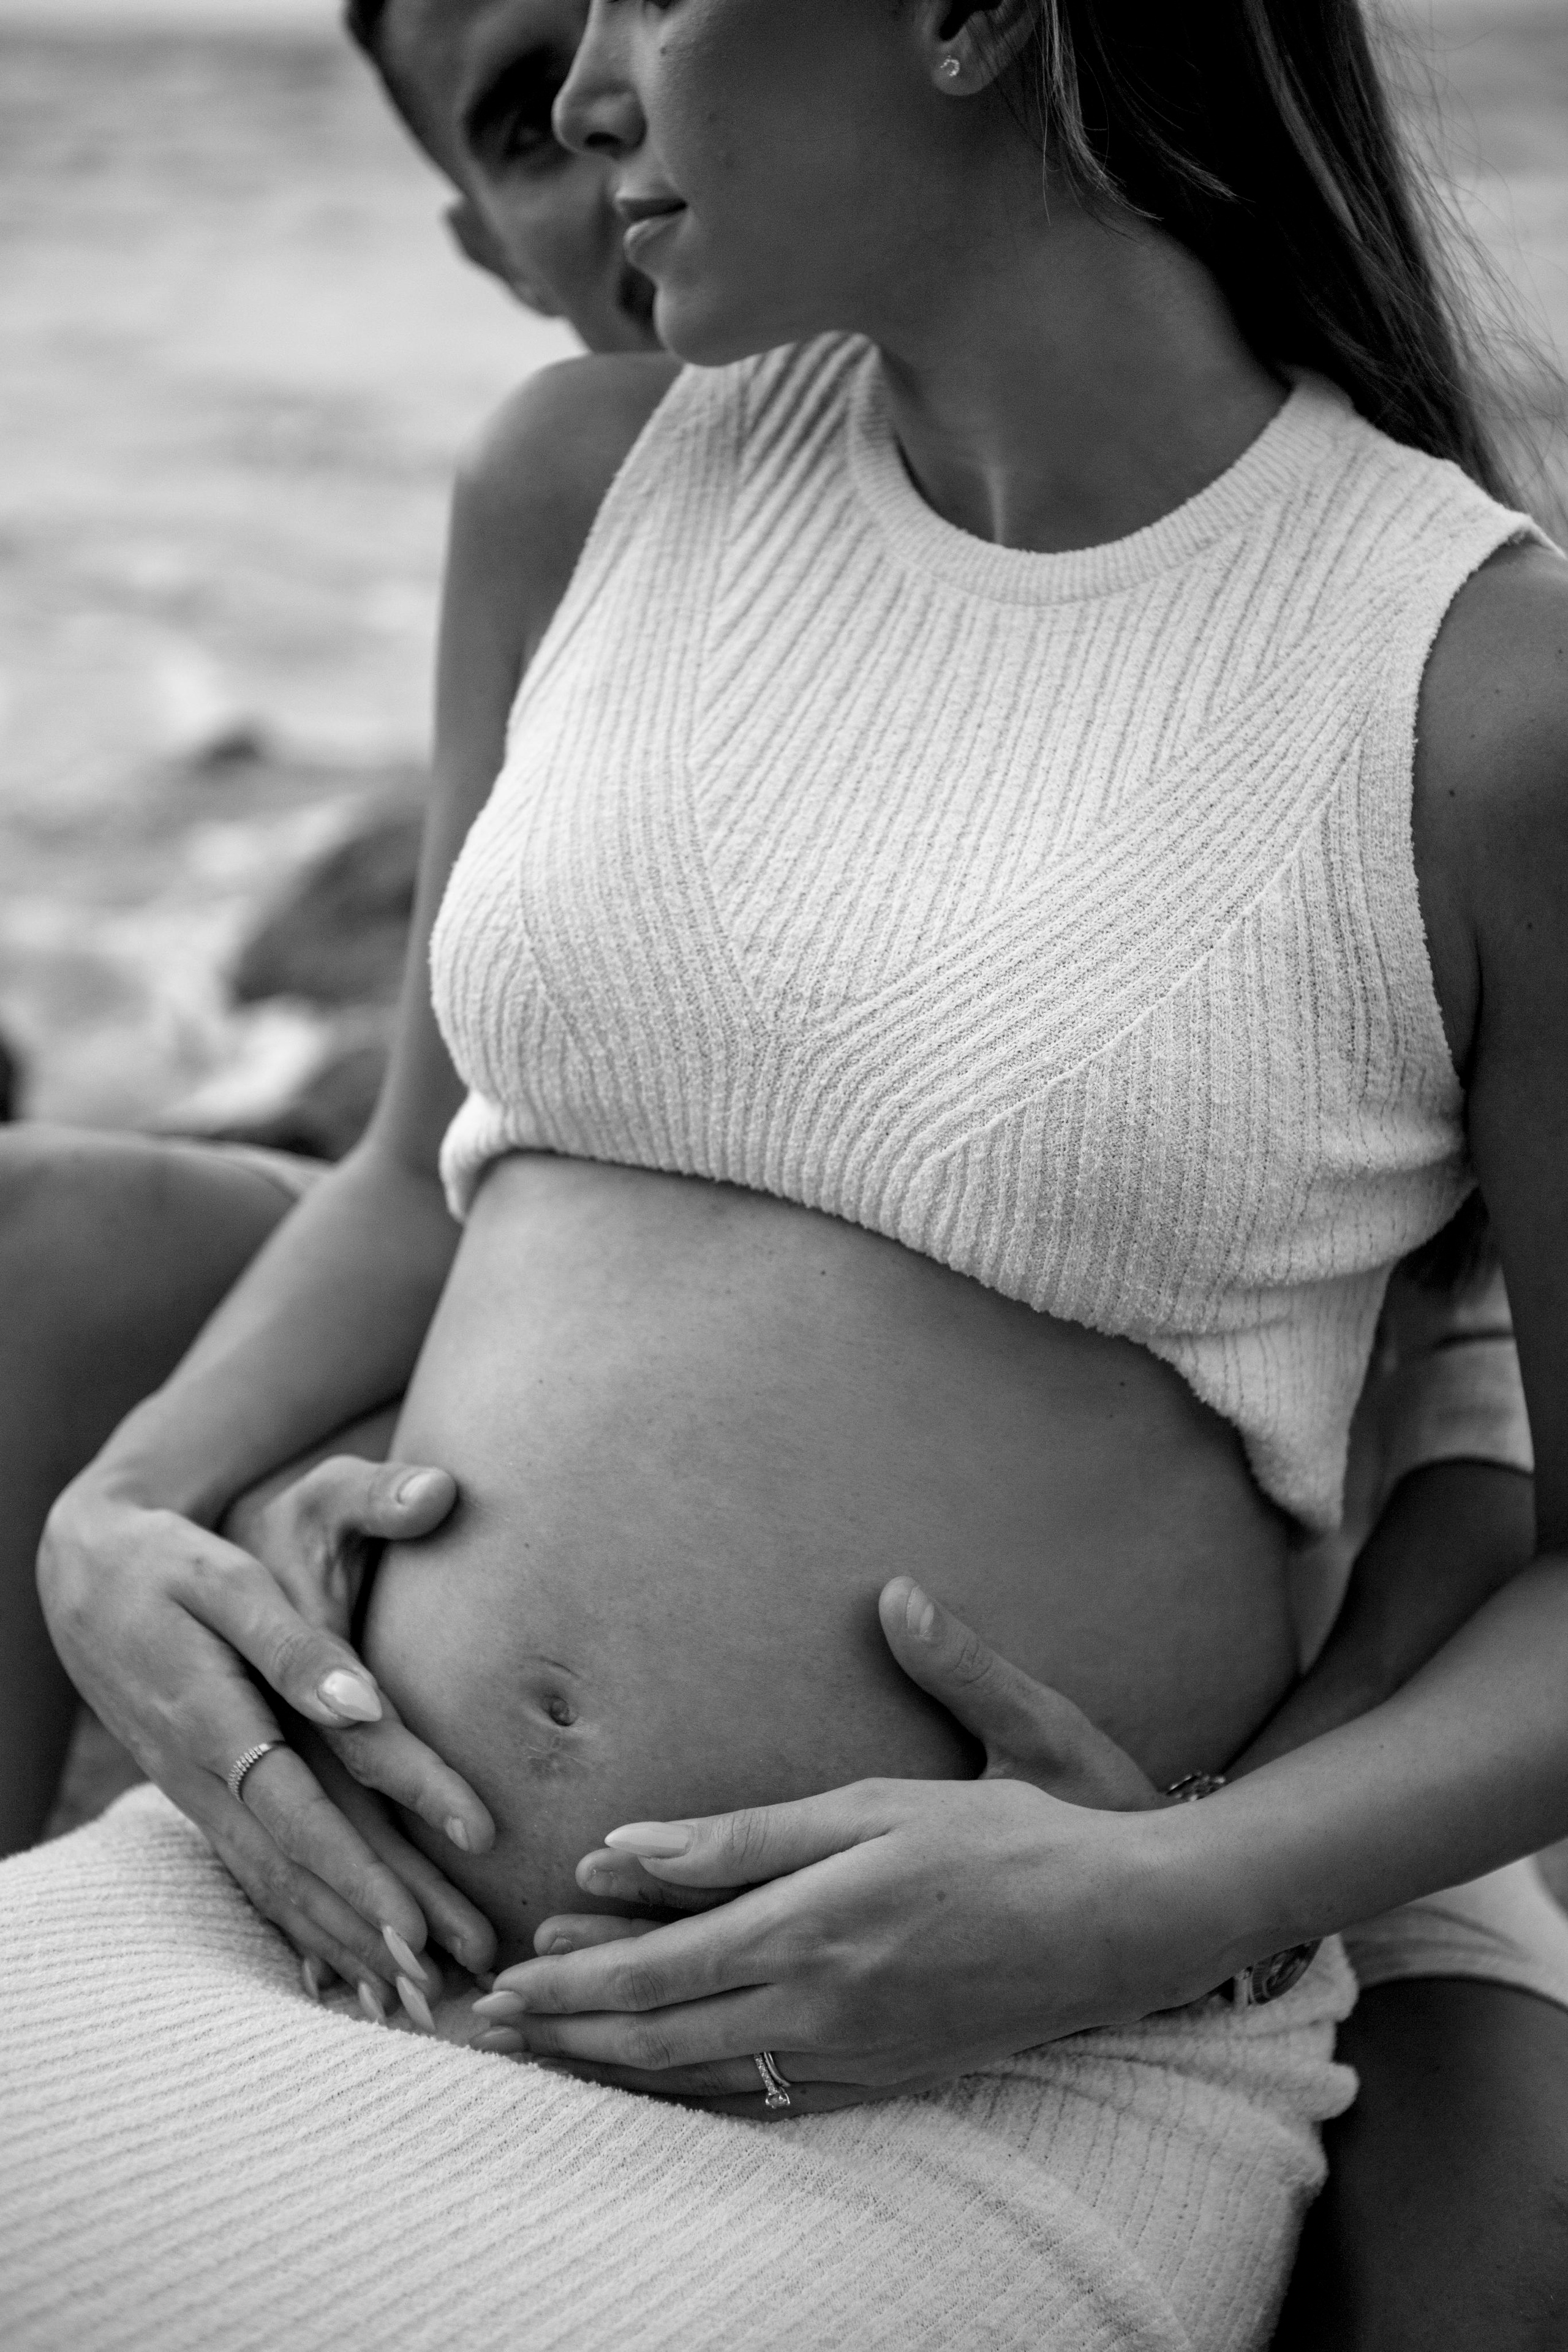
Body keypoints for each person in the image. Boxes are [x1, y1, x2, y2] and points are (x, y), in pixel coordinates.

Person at [6, 1, 1568, 2343]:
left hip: (945, 2080)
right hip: (299, 1917)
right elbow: (416, 1177)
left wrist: (1156, 1904)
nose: (605, 84)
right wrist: (114, 1522)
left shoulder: (1477, 694)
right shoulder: (575, 482)